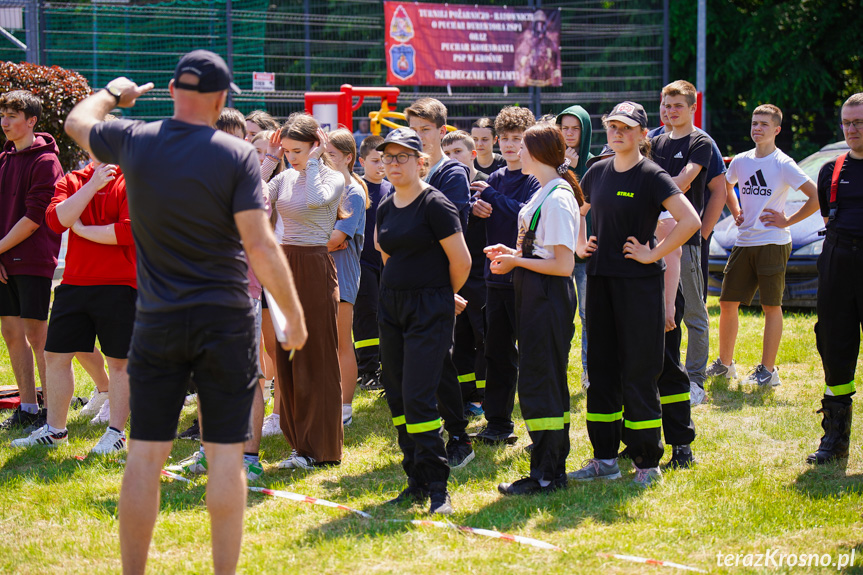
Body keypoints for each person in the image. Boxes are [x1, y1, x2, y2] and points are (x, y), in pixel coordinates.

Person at [63, 50, 307, 575]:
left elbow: (77, 121)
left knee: (145, 457)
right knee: (224, 456)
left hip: (156, 320)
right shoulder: (236, 155)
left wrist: (115, 93)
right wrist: (294, 314)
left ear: (172, 91)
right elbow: (261, 245)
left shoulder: (135, 139)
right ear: (221, 99)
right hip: (225, 321)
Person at [569, 101, 700, 487]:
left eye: (626, 127)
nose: (617, 132)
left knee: (640, 374)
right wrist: (580, 245)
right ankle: (604, 458)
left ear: (644, 134)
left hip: (639, 287)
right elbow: (578, 209)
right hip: (601, 281)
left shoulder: (652, 175)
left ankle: (647, 462)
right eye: (612, 126)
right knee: (602, 372)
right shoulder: (596, 172)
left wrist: (653, 252)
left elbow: (689, 220)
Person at [11, 115, 136, 455]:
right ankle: (55, 430)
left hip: (121, 285)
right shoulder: (74, 179)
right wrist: (92, 186)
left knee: (120, 362)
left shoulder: (134, 181)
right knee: (55, 356)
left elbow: (128, 232)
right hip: (74, 283)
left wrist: (82, 230)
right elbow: (56, 220)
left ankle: (117, 433)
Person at [374, 127, 471, 515]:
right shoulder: (384, 205)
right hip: (392, 306)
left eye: (402, 157)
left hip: (429, 308)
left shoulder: (435, 203)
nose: (393, 164)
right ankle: (414, 478)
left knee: (418, 397)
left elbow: (461, 261)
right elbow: (387, 256)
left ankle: (437, 486)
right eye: (388, 157)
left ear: (420, 162)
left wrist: (440, 296)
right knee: (397, 395)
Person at [486, 123, 581, 495]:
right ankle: (547, 468)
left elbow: (563, 265)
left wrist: (517, 263)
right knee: (538, 380)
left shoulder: (557, 196)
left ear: (538, 152)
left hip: (548, 294)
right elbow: (540, 251)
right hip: (535, 291)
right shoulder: (547, 191)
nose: (515, 153)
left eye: (522, 147)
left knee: (543, 382)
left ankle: (547, 473)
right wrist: (513, 254)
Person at [708, 104, 817, 387]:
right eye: (754, 123)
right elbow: (726, 186)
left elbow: (816, 197)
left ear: (777, 130)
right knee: (728, 302)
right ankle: (725, 364)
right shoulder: (742, 160)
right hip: (744, 242)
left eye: (764, 124)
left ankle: (768, 371)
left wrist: (787, 219)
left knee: (771, 306)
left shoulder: (783, 164)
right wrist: (735, 211)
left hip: (773, 242)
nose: (757, 128)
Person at [262, 112, 344, 469]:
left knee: (316, 358)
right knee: (287, 357)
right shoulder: (283, 177)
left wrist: (312, 164)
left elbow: (314, 202)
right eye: (288, 151)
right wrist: (268, 158)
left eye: (298, 150)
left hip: (313, 265)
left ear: (316, 146)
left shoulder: (334, 177)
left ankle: (321, 448)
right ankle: (300, 446)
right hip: (284, 266)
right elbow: (252, 200)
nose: (291, 157)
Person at [405, 97, 474, 469]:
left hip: (437, 281)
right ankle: (422, 437)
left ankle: (460, 436)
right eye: (412, 130)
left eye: (425, 131)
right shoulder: (409, 169)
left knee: (441, 361)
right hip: (407, 284)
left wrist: (449, 289)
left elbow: (449, 233)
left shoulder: (450, 173)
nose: (418, 137)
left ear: (442, 132)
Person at [470, 106, 540, 445]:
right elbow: (487, 219)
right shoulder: (494, 178)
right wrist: (476, 209)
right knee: (496, 353)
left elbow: (524, 217)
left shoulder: (534, 179)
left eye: (518, 139)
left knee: (529, 354)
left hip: (525, 277)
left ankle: (538, 426)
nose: (511, 146)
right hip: (494, 279)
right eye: (506, 139)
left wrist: (493, 198)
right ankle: (498, 424)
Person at [0, 90, 64, 431]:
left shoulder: (47, 162)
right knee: (11, 333)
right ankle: (27, 406)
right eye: (3, 114)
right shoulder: (4, 159)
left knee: (38, 336)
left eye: (12, 115)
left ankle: (50, 412)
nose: (5, 122)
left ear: (32, 121)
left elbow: (35, 216)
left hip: (34, 260)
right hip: (4, 257)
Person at [651, 80, 717, 402]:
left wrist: (650, 193)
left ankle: (696, 382)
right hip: (654, 238)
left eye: (677, 105)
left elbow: (684, 181)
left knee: (693, 311)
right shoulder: (654, 140)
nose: (670, 111)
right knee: (663, 311)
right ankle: (666, 373)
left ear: (692, 108)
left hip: (686, 239)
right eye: (666, 104)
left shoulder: (700, 141)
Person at [807, 92, 863, 465]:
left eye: (858, 122)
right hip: (839, 262)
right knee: (834, 345)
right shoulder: (832, 169)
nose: (852, 129)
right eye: (846, 122)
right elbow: (829, 216)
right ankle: (835, 438)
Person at [442, 130, 488, 418]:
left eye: (457, 152)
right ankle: (462, 392)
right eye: (447, 154)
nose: (452, 159)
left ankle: (483, 397)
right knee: (459, 336)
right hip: (456, 272)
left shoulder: (485, 184)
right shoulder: (443, 185)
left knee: (484, 335)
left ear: (472, 155)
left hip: (482, 273)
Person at [325, 127, 369, 427]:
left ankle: (344, 409)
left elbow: (337, 238)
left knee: (342, 342)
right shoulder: (325, 186)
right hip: (320, 271)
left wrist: (308, 238)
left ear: (348, 158)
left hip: (342, 274)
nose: (323, 162)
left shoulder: (351, 190)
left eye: (329, 155)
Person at [251, 129, 287, 438]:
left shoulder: (284, 185)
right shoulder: (250, 185)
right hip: (251, 276)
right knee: (259, 348)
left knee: (278, 349)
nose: (264, 157)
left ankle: (280, 412)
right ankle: (259, 403)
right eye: (257, 151)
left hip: (277, 274)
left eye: (270, 152)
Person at [555, 105, 594, 388]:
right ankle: (556, 371)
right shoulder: (552, 161)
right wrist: (563, 167)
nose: (569, 134)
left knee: (588, 315)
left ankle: (589, 373)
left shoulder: (595, 162)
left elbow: (582, 202)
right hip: (559, 251)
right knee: (559, 314)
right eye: (564, 128)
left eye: (575, 128)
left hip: (588, 252)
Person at [353, 135, 392, 391]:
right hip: (363, 262)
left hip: (389, 263)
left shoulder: (393, 188)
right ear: (361, 161)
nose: (381, 166)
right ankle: (366, 369)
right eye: (375, 160)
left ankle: (385, 366)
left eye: (384, 160)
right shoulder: (358, 188)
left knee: (386, 315)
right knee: (366, 315)